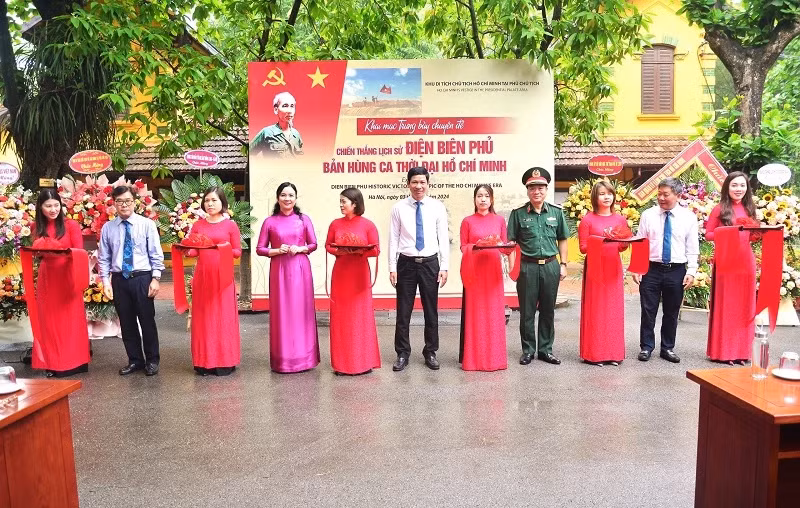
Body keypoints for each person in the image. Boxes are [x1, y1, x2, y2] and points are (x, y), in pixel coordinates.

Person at [98, 185, 165, 376]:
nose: (124, 205)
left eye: (127, 201)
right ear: (114, 204)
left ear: (134, 202)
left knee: (147, 321)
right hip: (120, 279)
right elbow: (104, 258)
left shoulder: (147, 225)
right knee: (126, 323)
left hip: (142, 278)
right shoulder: (108, 228)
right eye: (119, 201)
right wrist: (106, 282)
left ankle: (152, 360)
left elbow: (155, 253)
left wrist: (156, 278)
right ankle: (135, 360)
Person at [388, 167, 449, 371]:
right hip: (406, 264)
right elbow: (393, 238)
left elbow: (443, 238)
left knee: (431, 311)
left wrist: (444, 266)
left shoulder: (437, 207)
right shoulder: (398, 208)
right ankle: (402, 353)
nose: (418, 186)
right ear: (408, 184)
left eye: (422, 182)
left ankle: (430, 351)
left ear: (428, 184)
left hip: (430, 263)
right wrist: (392, 267)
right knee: (403, 312)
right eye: (414, 182)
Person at [632, 177, 699, 363]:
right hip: (651, 269)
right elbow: (640, 242)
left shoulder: (688, 217)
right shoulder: (648, 215)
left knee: (671, 311)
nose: (661, 198)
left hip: (676, 270)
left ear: (677, 195)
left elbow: (692, 247)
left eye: (666, 194)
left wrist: (691, 271)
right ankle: (646, 347)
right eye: (659, 194)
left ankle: (667, 348)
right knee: (648, 310)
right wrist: (637, 268)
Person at [256, 182, 320, 373]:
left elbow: (314, 244)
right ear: (278, 198)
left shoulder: (303, 219)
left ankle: (305, 359)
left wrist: (300, 248)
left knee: (301, 311)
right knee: (282, 312)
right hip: (280, 270)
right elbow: (260, 249)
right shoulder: (270, 222)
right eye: (283, 195)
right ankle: (283, 360)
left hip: (300, 269)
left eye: (291, 195)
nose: (287, 199)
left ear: (295, 198)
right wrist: (277, 250)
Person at [507, 167, 569, 366]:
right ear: (527, 191)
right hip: (527, 267)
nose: (537, 191)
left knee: (548, 310)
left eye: (540, 188)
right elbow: (511, 244)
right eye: (532, 188)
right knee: (527, 312)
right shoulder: (517, 214)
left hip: (551, 266)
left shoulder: (556, 213)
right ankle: (528, 350)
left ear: (546, 189)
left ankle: (545, 350)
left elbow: (563, 239)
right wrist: (513, 268)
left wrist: (564, 264)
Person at [29, 189, 90, 377]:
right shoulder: (35, 226)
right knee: (49, 322)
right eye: (48, 206)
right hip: (48, 278)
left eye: (56, 205)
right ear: (40, 207)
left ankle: (75, 362)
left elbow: (79, 251)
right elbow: (36, 253)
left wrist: (60, 250)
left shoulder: (71, 225)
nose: (53, 209)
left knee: (71, 321)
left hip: (68, 277)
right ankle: (52, 362)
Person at [184, 187, 242, 376]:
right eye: (207, 200)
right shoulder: (198, 225)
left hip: (223, 279)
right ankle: (204, 361)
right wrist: (185, 248)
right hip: (202, 277)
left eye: (214, 200)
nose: (210, 204)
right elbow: (194, 251)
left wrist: (221, 247)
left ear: (222, 203)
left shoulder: (230, 225)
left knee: (223, 319)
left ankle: (225, 361)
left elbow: (237, 252)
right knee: (204, 319)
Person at [324, 187, 381, 375]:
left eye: (344, 201)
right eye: (340, 201)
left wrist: (359, 251)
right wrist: (340, 250)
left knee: (360, 316)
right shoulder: (335, 224)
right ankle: (342, 364)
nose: (341, 205)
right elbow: (328, 245)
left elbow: (376, 250)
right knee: (341, 317)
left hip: (359, 273)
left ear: (355, 203)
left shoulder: (368, 225)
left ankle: (364, 362)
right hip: (341, 273)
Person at [705, 171, 758, 365]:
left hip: (746, 262)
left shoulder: (750, 208)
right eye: (734, 185)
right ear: (727, 187)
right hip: (726, 262)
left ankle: (742, 352)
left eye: (742, 185)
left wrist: (758, 232)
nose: (738, 189)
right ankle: (724, 352)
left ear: (747, 188)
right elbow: (708, 234)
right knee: (727, 307)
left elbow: (752, 237)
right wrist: (731, 231)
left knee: (745, 308)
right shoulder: (719, 209)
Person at [577, 181, 631, 366]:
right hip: (595, 267)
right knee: (596, 310)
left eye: (609, 193)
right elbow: (583, 247)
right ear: (595, 197)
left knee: (613, 310)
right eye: (602, 193)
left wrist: (624, 241)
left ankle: (614, 353)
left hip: (613, 267)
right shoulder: (588, 220)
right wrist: (602, 240)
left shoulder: (620, 220)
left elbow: (622, 247)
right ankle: (594, 354)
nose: (606, 197)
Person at [459, 184, 510, 371]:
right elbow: (463, 247)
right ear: (474, 199)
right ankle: (474, 360)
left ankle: (496, 359)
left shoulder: (499, 220)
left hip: (493, 272)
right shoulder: (467, 221)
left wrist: (509, 247)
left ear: (492, 199)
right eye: (479, 196)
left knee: (494, 314)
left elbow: (503, 246)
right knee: (476, 314)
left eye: (486, 196)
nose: (483, 199)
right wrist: (477, 245)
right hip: (475, 272)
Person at [250, 92, 304, 158]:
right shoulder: (266, 133)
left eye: (292, 106)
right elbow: (250, 153)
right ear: (276, 110)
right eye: (285, 106)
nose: (290, 111)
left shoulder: (296, 134)